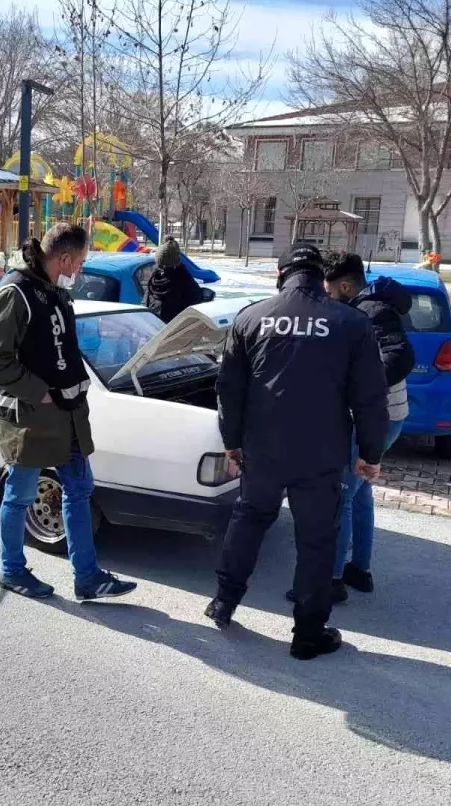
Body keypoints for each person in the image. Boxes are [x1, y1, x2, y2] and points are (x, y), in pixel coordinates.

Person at [206, 244, 388, 660]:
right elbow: (371, 399)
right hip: (320, 455)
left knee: (249, 521)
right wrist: (371, 453)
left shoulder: (251, 317)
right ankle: (307, 634)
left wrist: (231, 440)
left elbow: (228, 390)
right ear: (320, 275)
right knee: (317, 542)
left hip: (262, 450)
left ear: (281, 271)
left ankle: (224, 602)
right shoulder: (350, 323)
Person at [0, 222, 137, 601]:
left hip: (68, 417)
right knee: (19, 495)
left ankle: (88, 577)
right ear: (64, 259)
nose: (81, 270)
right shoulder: (15, 293)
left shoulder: (56, 292)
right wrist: (40, 393)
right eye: (80, 262)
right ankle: (11, 571)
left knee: (79, 490)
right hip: (32, 419)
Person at [320, 252, 414, 600]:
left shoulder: (372, 311)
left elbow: (401, 355)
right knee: (360, 493)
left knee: (341, 496)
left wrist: (361, 392)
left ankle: (330, 583)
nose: (327, 296)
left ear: (345, 286)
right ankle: (359, 570)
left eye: (329, 290)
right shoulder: (369, 305)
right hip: (385, 416)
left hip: (375, 418)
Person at [145, 237, 204, 322]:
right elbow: (196, 300)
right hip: (171, 329)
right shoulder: (184, 279)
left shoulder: (154, 279)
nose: (162, 269)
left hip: (155, 326)